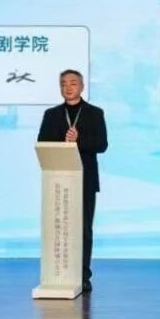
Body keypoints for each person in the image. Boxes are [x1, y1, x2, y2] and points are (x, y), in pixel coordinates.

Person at [37, 69, 107, 293]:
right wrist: (64, 141)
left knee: (83, 229)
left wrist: (79, 140)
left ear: (82, 86)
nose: (68, 87)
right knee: (58, 228)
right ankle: (58, 274)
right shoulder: (51, 114)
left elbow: (102, 145)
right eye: (63, 84)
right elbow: (42, 143)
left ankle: (83, 276)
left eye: (73, 83)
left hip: (85, 180)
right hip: (58, 181)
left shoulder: (95, 113)